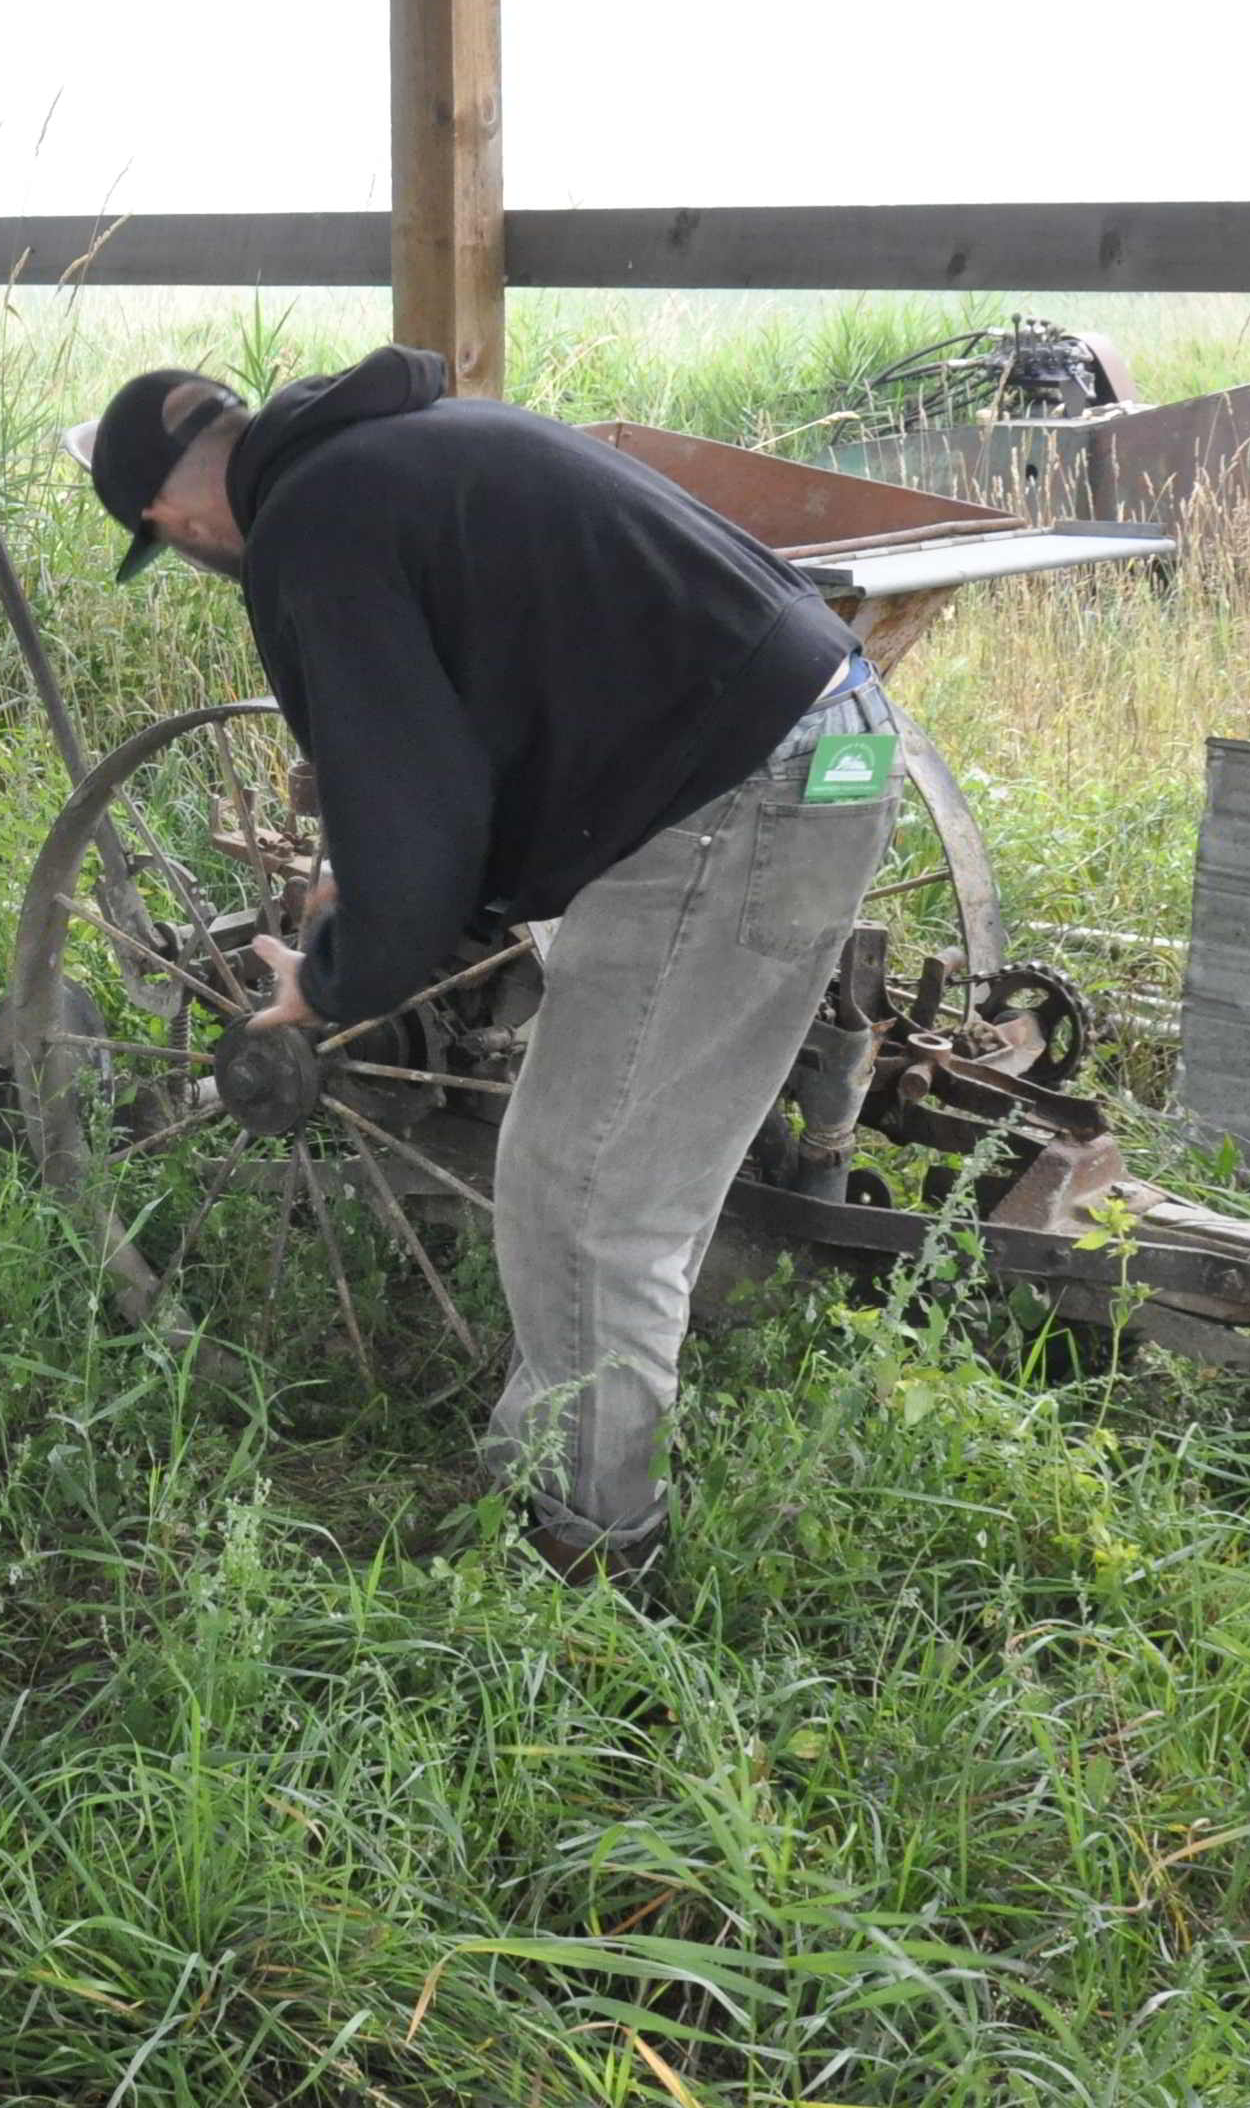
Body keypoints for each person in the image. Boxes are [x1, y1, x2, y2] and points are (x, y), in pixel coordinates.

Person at [73, 343, 895, 1576]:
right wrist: (372, 871)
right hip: (820, 740)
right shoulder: (410, 446)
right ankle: (554, 1471)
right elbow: (466, 726)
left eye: (174, 541)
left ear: (171, 517)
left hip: (734, 795)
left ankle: (590, 1546)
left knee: (583, 1188)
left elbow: (421, 821)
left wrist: (332, 978)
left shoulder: (308, 528)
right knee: (622, 1166)